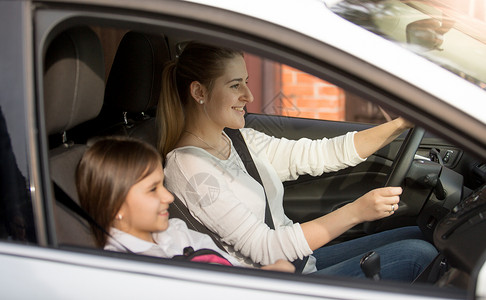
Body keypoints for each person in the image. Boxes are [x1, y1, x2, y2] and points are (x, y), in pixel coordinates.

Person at [159, 41, 438, 281]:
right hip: (275, 282)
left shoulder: (240, 140)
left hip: (301, 262)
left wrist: (402, 123)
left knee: (421, 233)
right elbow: (265, 249)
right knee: (419, 255)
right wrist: (357, 211)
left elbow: (325, 153)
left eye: (246, 82)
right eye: (235, 85)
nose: (249, 95)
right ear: (199, 93)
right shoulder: (189, 167)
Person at [76, 136, 294, 273]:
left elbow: (231, 270)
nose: (168, 197)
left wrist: (268, 274)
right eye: (153, 189)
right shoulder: (126, 270)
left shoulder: (176, 231)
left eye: (162, 184)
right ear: (116, 207)